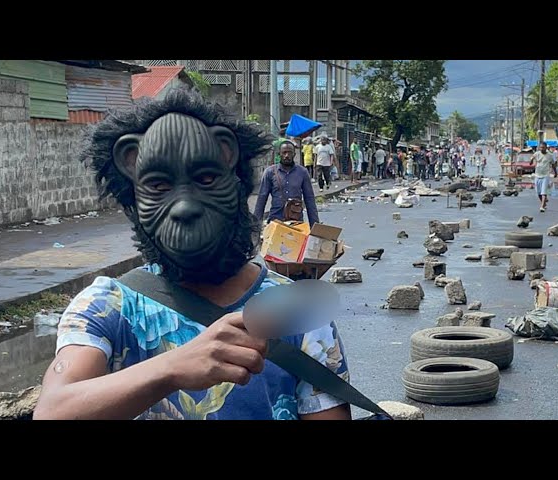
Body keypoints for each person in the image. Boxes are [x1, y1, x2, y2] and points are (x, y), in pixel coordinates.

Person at [33, 90, 351, 420]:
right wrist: (170, 368)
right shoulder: (106, 306)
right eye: (158, 185)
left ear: (235, 177)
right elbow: (53, 410)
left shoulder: (296, 311)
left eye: (207, 178)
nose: (184, 205)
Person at [254, 140, 319, 226]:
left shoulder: (302, 172)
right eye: (284, 153)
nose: (287, 155)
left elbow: (309, 200)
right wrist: (255, 227)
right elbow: (261, 200)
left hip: (296, 222)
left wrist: (315, 227)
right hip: (275, 222)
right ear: (279, 154)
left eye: (290, 153)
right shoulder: (270, 172)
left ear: (294, 154)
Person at [530, 141, 557, 212]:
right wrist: (532, 160)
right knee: (538, 192)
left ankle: (542, 206)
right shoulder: (537, 154)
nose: (542, 149)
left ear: (546, 148)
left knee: (543, 192)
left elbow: (553, 165)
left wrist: (555, 173)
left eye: (543, 148)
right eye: (541, 147)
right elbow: (531, 162)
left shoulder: (550, 155)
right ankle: (544, 202)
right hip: (537, 175)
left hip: (545, 175)